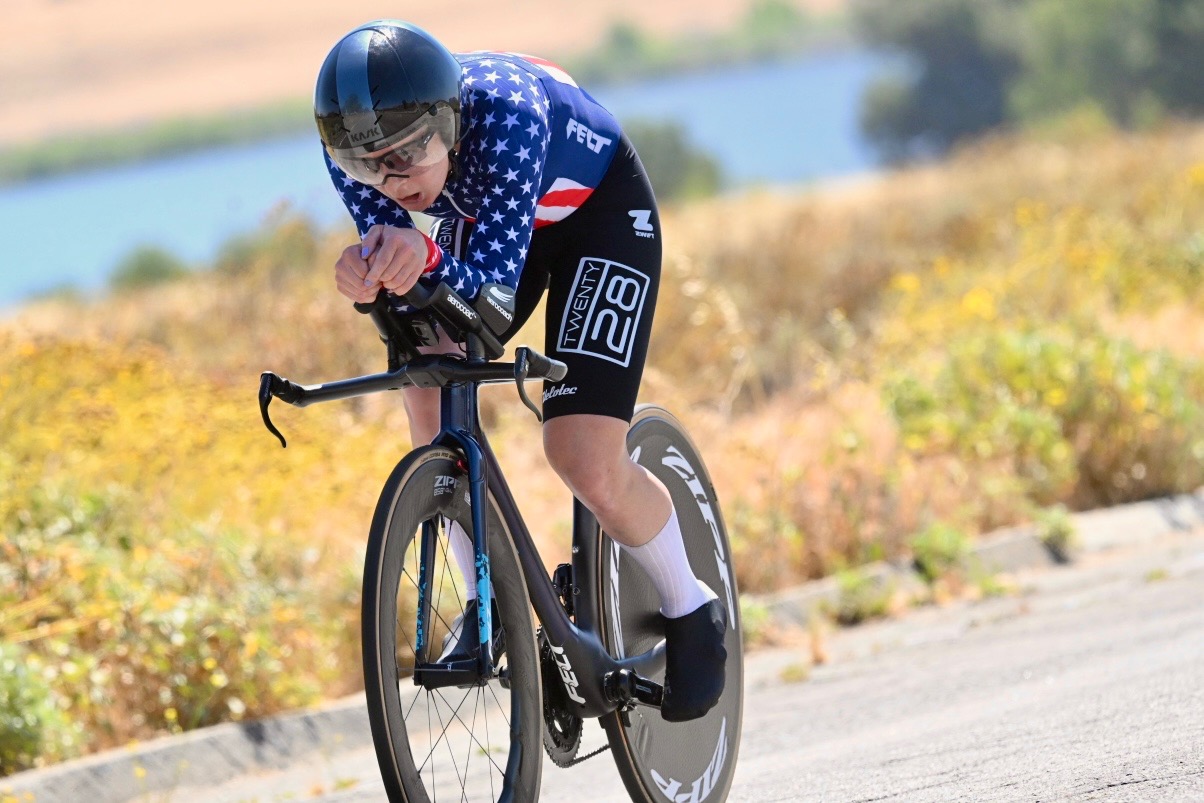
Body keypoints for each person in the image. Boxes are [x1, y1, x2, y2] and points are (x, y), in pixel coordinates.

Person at [314, 19, 725, 722]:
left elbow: (492, 301)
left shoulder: (503, 121)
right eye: (368, 166)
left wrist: (426, 260)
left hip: (594, 216)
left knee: (582, 455)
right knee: (427, 376)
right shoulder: (353, 150)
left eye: (408, 156)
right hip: (499, 223)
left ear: (446, 124)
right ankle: (492, 598)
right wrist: (371, 272)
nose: (390, 180)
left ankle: (694, 605)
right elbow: (409, 272)